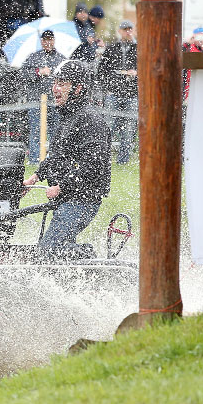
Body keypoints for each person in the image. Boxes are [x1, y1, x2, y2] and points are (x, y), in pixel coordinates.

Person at [23, 60, 110, 255]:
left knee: (48, 250)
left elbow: (93, 166)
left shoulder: (91, 120)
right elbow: (56, 156)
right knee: (57, 250)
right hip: (68, 198)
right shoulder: (68, 117)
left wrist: (61, 186)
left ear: (78, 89)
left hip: (83, 200)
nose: (54, 89)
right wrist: (34, 177)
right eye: (54, 82)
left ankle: (89, 257)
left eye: (62, 83)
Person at [21, 29, 66, 164]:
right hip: (36, 101)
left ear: (54, 40)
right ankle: (35, 159)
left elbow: (67, 78)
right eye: (45, 40)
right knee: (36, 131)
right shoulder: (33, 57)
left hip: (55, 101)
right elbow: (24, 74)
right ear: (41, 41)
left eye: (50, 39)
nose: (48, 42)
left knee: (55, 131)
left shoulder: (61, 59)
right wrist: (39, 72)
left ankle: (53, 159)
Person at [98, 20, 138, 164]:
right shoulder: (112, 48)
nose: (128, 32)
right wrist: (108, 86)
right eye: (125, 29)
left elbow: (147, 70)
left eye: (130, 29)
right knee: (108, 127)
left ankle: (123, 160)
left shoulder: (139, 48)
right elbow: (102, 71)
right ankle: (105, 159)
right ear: (120, 31)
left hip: (132, 94)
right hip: (113, 94)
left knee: (128, 129)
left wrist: (136, 73)